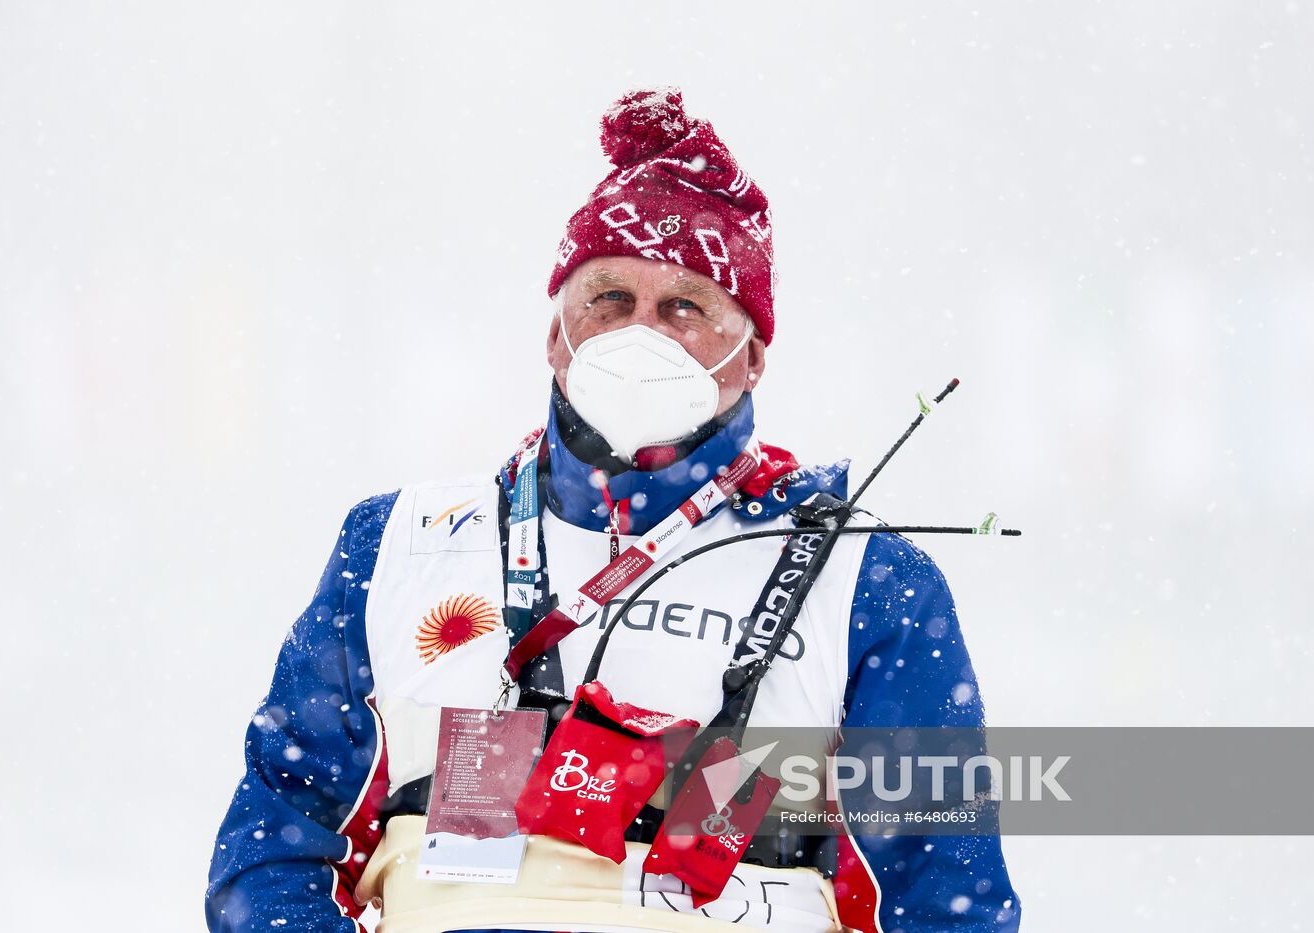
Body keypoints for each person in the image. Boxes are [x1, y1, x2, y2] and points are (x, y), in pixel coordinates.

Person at [206, 86, 1021, 933]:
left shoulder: (870, 584)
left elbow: (948, 898)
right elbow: (274, 850)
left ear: (752, 357)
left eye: (686, 305)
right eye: (609, 299)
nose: (645, 333)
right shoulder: (397, 546)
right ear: (557, 336)